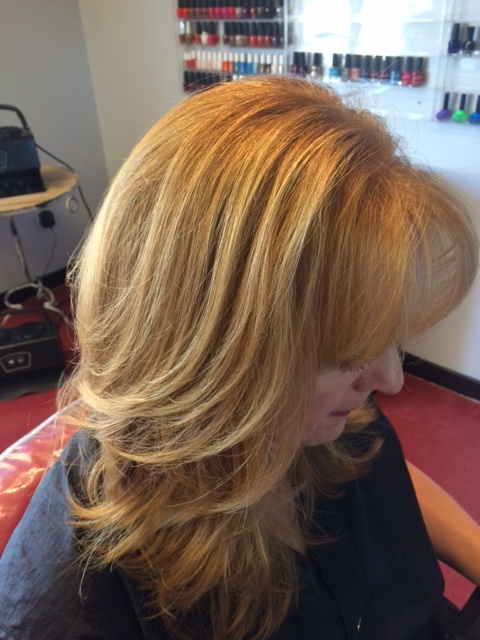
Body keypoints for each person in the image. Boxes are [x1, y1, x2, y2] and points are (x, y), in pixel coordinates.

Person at [0, 76, 479, 640]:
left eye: (391, 339)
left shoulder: (322, 417)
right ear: (206, 353)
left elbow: (378, 472)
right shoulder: (78, 598)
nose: (391, 381)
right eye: (347, 354)